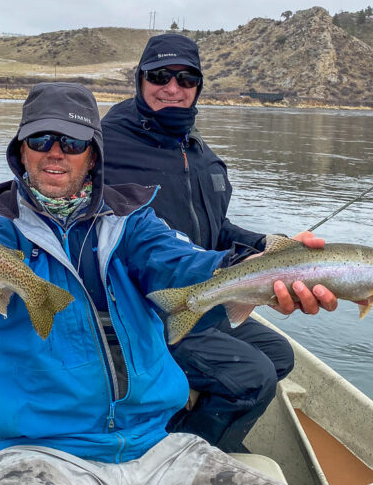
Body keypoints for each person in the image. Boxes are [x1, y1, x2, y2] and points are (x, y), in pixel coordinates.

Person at [0, 82, 295, 485]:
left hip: (154, 444)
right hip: (32, 451)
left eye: (72, 142)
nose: (55, 153)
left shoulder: (135, 221)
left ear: (93, 154)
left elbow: (182, 265)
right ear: (20, 150)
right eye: (40, 140)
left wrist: (250, 269)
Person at [101, 34, 338, 452]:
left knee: (279, 356)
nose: (172, 88)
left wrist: (271, 246)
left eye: (185, 78)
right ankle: (171, 458)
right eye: (158, 76)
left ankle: (187, 430)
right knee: (252, 378)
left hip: (204, 294)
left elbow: (217, 226)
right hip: (139, 310)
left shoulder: (199, 152)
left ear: (198, 87)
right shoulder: (105, 146)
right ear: (138, 80)